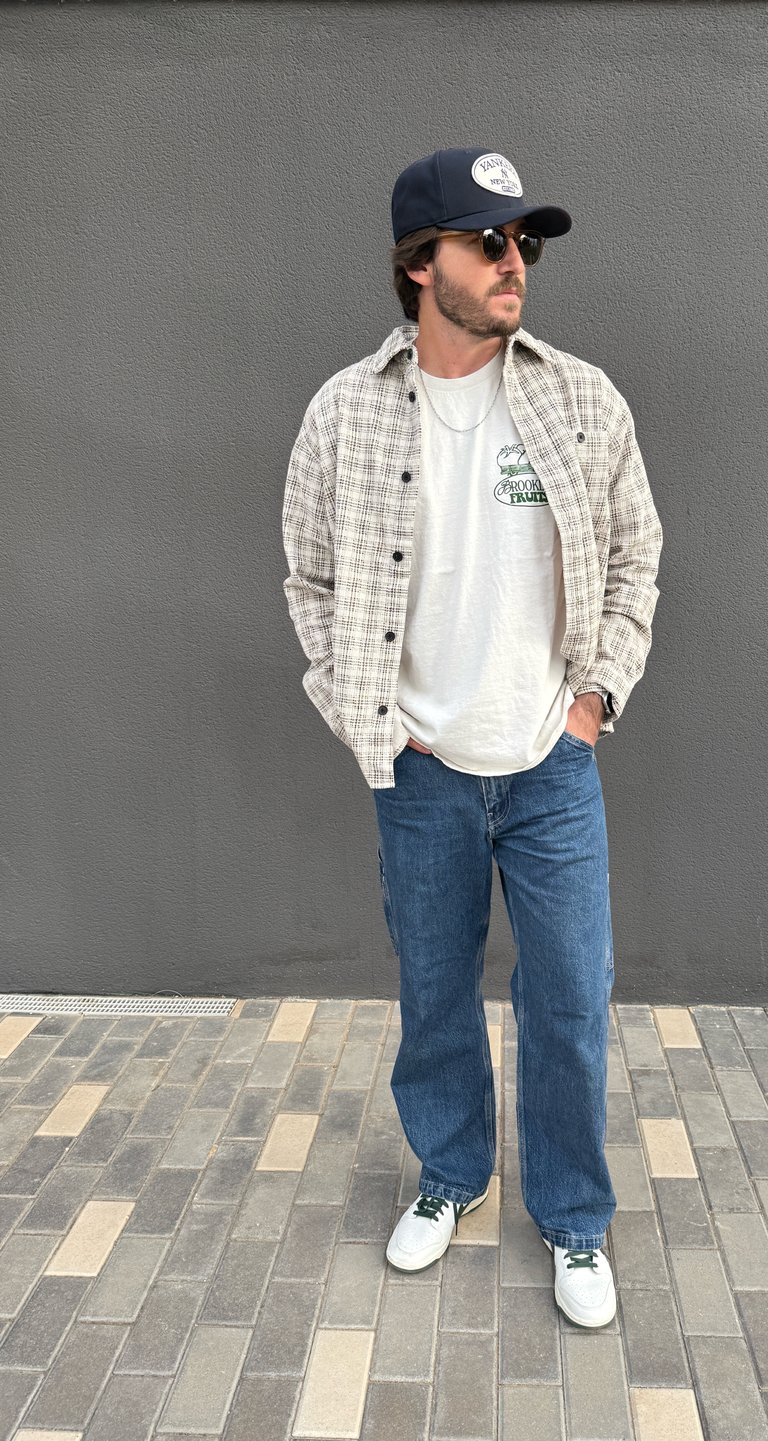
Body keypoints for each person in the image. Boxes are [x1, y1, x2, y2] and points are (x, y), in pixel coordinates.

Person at [282, 146, 663, 1328]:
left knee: (569, 1001)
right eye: (489, 242)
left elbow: (636, 552)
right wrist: (369, 721)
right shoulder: (344, 412)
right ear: (418, 264)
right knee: (435, 992)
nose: (515, 266)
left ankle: (573, 1222)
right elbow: (310, 577)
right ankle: (450, 1176)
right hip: (422, 771)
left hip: (551, 762)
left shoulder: (580, 397)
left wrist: (595, 697)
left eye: (524, 245)